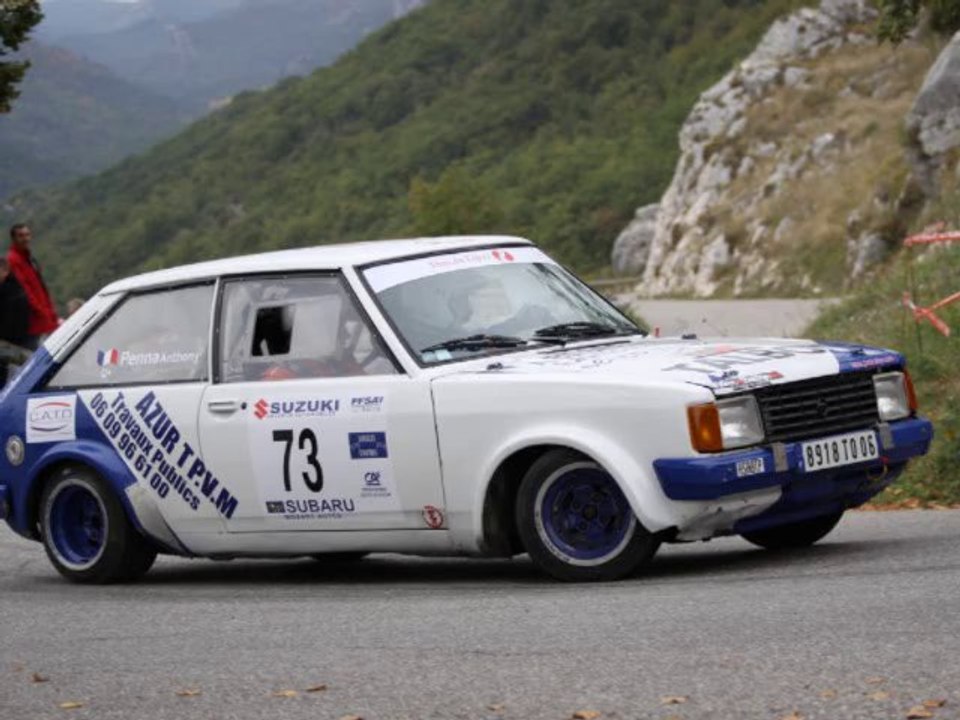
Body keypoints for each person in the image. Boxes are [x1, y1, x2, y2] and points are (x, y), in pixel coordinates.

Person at [7, 224, 59, 349]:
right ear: (13, 239)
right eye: (21, 236)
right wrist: (42, 312)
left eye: (27, 235)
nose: (25, 238)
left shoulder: (28, 258)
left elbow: (41, 287)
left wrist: (50, 311)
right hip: (34, 323)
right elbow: (25, 291)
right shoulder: (13, 260)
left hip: (46, 317)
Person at [0, 257, 30, 385]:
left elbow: (12, 323)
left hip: (10, 346)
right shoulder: (16, 289)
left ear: (5, 271)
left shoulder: (11, 292)